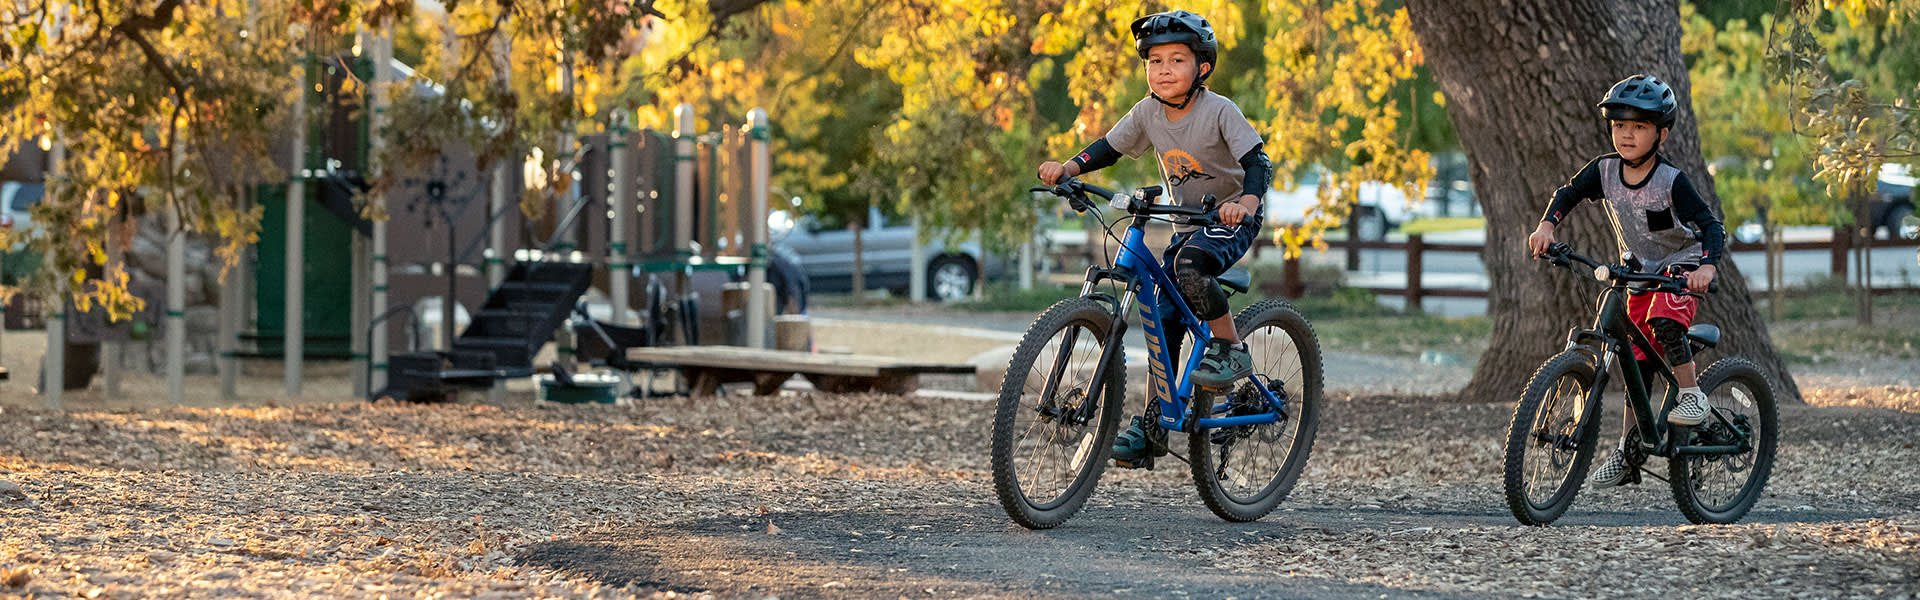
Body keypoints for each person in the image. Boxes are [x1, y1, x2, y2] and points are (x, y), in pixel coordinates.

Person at [1034, 10, 1272, 469]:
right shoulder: (1147, 112)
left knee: (1189, 267)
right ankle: (1155, 424)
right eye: (1155, 61)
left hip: (1230, 217)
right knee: (1162, 318)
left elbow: (1258, 162)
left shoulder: (1219, 110)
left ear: (1202, 67)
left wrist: (1246, 201)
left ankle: (1232, 351)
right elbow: (1109, 145)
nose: (1163, 70)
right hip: (1187, 222)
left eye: (1176, 60)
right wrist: (1069, 168)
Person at [1526, 74, 1727, 487]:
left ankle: (1692, 396)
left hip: (1680, 267)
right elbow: (1568, 194)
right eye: (1620, 126)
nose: (1627, 135)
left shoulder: (1672, 181)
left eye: (1639, 126)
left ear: (1661, 134)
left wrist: (1706, 267)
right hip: (1636, 269)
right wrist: (1547, 226)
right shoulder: (1605, 170)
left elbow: (1711, 227)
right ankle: (1628, 451)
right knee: (1633, 361)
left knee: (1666, 322)